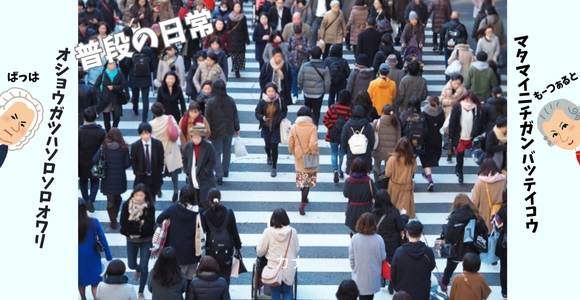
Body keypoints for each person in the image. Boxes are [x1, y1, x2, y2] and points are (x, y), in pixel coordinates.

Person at [157, 186, 205, 281]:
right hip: (193, 252)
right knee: (190, 280)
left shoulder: (173, 209)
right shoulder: (199, 212)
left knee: (177, 280)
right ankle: (189, 295)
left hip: (176, 252)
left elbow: (159, 219)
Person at [439, 193, 482, 292]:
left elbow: (449, 236)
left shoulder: (454, 218)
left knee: (449, 269)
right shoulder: (475, 215)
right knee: (470, 270)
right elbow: (483, 231)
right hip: (472, 250)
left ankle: (444, 283)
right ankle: (470, 287)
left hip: (455, 250)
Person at [119, 184, 156, 298]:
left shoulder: (150, 207)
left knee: (145, 266)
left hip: (146, 239)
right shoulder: (126, 205)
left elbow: (150, 226)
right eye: (137, 195)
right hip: (131, 239)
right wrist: (133, 232)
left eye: (141, 195)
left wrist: (137, 231)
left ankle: (141, 291)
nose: (139, 197)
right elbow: (123, 223)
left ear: (145, 196)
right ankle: (137, 269)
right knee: (131, 264)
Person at [256, 208, 300, 300]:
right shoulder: (293, 232)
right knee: (288, 292)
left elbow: (260, 252)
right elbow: (297, 250)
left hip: (274, 268)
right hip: (289, 267)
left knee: (275, 292)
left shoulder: (268, 232)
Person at [203, 188, 242, 284]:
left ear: (209, 200)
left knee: (213, 274)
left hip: (212, 250)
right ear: (219, 198)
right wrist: (238, 246)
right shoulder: (229, 212)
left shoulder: (205, 215)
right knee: (225, 275)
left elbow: (205, 234)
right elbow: (234, 231)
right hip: (226, 250)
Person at [93, 128, 130, 229]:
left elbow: (94, 159)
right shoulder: (124, 147)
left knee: (110, 200)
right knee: (118, 197)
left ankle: (113, 220)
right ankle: (115, 213)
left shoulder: (103, 147)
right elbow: (127, 164)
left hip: (107, 178)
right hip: (120, 178)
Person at [205, 79, 240, 185]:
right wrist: (237, 128)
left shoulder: (210, 102)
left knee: (217, 152)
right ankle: (225, 170)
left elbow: (207, 118)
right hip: (229, 129)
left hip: (215, 131)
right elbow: (235, 115)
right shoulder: (230, 100)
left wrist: (207, 131)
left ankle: (219, 175)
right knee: (227, 151)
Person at [391, 220, 435, 300]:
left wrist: (396, 287)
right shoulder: (428, 251)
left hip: (403, 291)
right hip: (422, 291)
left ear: (407, 233)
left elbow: (393, 272)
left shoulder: (399, 252)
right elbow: (432, 266)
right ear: (421, 234)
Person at [78, 198, 113, 300]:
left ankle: (83, 298)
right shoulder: (94, 222)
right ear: (85, 209)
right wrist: (109, 257)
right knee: (95, 283)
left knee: (80, 282)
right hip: (92, 255)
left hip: (78, 257)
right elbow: (103, 239)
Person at [288, 106, 320, 215]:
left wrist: (292, 151)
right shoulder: (312, 127)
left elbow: (290, 142)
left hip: (298, 156)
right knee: (308, 181)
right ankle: (303, 202)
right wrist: (313, 152)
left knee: (302, 178)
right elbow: (313, 144)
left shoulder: (294, 127)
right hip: (310, 156)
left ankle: (304, 197)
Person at [348, 212, 386, 300]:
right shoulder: (379, 239)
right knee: (370, 296)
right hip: (373, 274)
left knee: (361, 295)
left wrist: (354, 268)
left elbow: (351, 258)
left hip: (359, 274)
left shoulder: (355, 238)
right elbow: (383, 257)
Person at [150, 103, 183, 202]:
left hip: (159, 152)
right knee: (174, 174)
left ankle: (159, 190)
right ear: (163, 109)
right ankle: (176, 191)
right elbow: (178, 132)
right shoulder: (170, 118)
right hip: (171, 149)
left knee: (159, 174)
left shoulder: (151, 124)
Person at [372, 190, 405, 289]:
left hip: (377, 241)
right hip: (392, 242)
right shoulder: (394, 212)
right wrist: (404, 216)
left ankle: (381, 277)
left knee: (379, 260)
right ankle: (391, 282)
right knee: (392, 262)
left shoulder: (373, 212)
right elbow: (400, 226)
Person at [448, 91, 482, 184]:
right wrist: (450, 136)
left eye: (470, 100)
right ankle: (460, 172)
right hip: (459, 136)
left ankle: (458, 169)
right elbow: (452, 123)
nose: (468, 102)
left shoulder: (476, 108)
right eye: (466, 99)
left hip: (471, 136)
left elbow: (478, 123)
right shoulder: (458, 107)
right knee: (460, 155)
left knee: (476, 154)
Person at [182, 125, 217, 208]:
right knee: (193, 202)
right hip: (192, 178)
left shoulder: (209, 146)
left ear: (202, 137)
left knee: (205, 203)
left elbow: (212, 161)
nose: (195, 139)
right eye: (193, 137)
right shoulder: (188, 146)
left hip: (205, 179)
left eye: (197, 137)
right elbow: (184, 159)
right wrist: (187, 170)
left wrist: (206, 171)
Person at [79, 107, 106, 212]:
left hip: (81, 162)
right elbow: (104, 147)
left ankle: (86, 200)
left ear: (84, 118)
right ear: (95, 117)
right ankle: (91, 200)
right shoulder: (101, 131)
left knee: (83, 181)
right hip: (96, 162)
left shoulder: (79, 131)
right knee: (95, 181)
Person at [131, 122, 165, 203]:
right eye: (142, 133)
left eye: (147, 133)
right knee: (142, 200)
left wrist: (159, 173)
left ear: (150, 133)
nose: (145, 135)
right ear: (140, 134)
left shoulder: (157, 144)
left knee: (152, 199)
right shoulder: (135, 146)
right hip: (141, 177)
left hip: (154, 177)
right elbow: (134, 162)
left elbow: (161, 160)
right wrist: (137, 173)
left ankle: (151, 212)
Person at [323, 90, 353, 182]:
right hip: (344, 135)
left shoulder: (333, 108)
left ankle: (335, 170)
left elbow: (325, 120)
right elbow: (350, 123)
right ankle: (340, 170)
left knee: (333, 153)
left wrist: (331, 127)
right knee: (342, 153)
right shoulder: (349, 109)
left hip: (333, 135)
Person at [297, 47, 331, 125]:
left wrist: (302, 87)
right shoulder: (324, 67)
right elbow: (327, 82)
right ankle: (314, 128)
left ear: (311, 55)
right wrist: (325, 91)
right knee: (316, 112)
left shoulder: (305, 66)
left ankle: (306, 127)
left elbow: (300, 78)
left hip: (307, 93)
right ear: (321, 55)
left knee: (306, 111)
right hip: (318, 94)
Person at [470, 158, 506, 231]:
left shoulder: (480, 183)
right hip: (499, 214)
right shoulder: (503, 180)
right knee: (498, 235)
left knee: (487, 236)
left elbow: (474, 203)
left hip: (484, 218)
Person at [344, 158, 376, 235]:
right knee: (367, 228)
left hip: (353, 209)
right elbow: (374, 194)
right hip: (367, 208)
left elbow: (345, 194)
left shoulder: (349, 181)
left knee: (354, 229)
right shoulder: (369, 181)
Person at [386, 137, 417, 218]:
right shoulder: (412, 159)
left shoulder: (392, 159)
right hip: (407, 186)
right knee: (404, 210)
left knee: (393, 207)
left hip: (394, 186)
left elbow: (388, 174)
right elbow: (414, 171)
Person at [341, 105, 375, 174]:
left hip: (351, 155)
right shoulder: (367, 125)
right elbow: (372, 140)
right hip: (365, 155)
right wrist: (369, 149)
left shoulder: (347, 125)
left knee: (352, 175)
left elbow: (343, 141)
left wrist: (345, 151)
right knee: (364, 175)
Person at [420, 96, 445, 192]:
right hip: (437, 137)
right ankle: (427, 174)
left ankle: (430, 179)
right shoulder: (440, 111)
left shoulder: (425, 112)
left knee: (426, 160)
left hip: (427, 138)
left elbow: (423, 126)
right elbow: (442, 123)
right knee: (432, 158)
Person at [95, 61, 127, 132]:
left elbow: (123, 85)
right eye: (110, 64)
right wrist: (101, 95)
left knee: (117, 117)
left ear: (116, 65)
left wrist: (114, 87)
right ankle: (108, 132)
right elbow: (96, 86)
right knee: (106, 118)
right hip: (106, 99)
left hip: (116, 99)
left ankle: (113, 131)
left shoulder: (120, 74)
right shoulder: (103, 74)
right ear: (107, 65)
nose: (112, 66)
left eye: (113, 64)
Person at [129, 44, 156, 121]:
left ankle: (135, 108)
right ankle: (144, 118)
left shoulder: (132, 49)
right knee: (145, 99)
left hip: (134, 77)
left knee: (135, 95)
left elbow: (127, 64)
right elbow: (153, 66)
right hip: (146, 77)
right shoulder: (149, 50)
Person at [372, 105, 400, 178]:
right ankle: (385, 182)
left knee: (376, 166)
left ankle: (377, 180)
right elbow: (398, 137)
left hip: (378, 149)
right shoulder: (396, 123)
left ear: (383, 112)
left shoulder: (378, 122)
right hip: (391, 151)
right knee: (388, 167)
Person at [287, 24, 310, 102]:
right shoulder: (291, 38)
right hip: (293, 61)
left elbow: (308, 51)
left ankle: (304, 93)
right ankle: (295, 94)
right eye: (296, 34)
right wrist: (290, 56)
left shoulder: (305, 38)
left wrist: (302, 48)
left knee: (304, 79)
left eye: (299, 34)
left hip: (303, 61)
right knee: (294, 78)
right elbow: (288, 49)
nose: (297, 36)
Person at [228, 2, 250, 78]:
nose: (237, 8)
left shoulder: (243, 17)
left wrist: (247, 40)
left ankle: (238, 68)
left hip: (241, 38)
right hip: (232, 38)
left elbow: (245, 29)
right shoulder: (230, 17)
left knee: (240, 54)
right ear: (233, 8)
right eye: (236, 7)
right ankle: (235, 69)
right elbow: (228, 29)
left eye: (239, 7)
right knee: (234, 54)